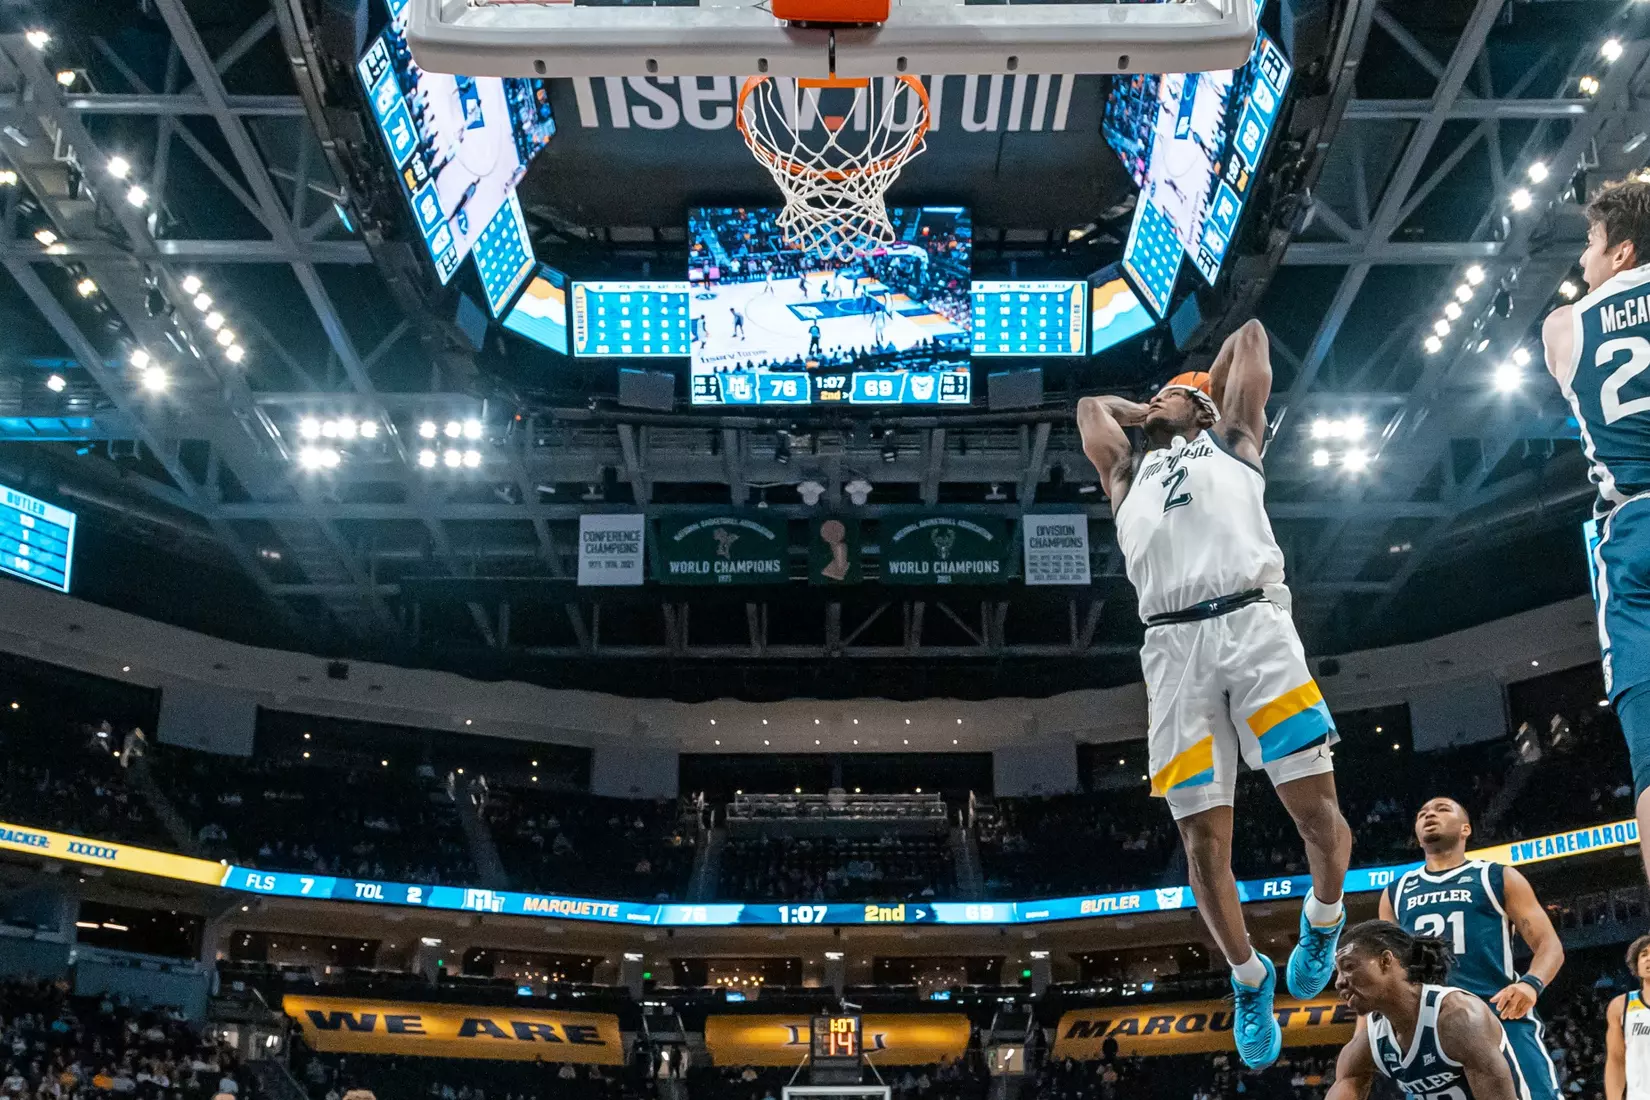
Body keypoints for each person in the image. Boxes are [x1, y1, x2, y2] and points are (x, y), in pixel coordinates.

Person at [1075, 319, 1353, 1069]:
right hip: (1171, 650)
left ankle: (1323, 919)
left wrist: (1196, 396)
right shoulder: (1126, 476)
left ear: (1205, 409)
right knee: (1201, 846)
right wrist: (1150, 411)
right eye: (1153, 394)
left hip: (1255, 628)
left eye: (1175, 394)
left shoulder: (1233, 440)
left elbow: (1257, 335)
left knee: (1315, 813)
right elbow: (1088, 410)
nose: (1156, 399)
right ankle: (1248, 977)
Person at [1541, 179, 1650, 880]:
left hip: (1633, 533)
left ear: (1623, 250)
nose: (1583, 259)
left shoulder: (1563, 328)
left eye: (1590, 243)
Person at [1380, 797, 1564, 1100]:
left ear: (1466, 829)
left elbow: (1549, 945)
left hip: (1497, 1013)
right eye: (1422, 813)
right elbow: (1387, 969)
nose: (1429, 815)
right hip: (1428, 1027)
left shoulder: (1497, 876)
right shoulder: (1395, 892)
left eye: (1441, 809)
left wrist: (1531, 985)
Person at [1326, 920, 1531, 1100]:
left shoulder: (1459, 1018)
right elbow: (1346, 1084)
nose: (1339, 982)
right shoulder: (1371, 1040)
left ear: (1385, 961)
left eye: (1349, 966)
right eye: (1338, 973)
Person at [1605, 933, 1650, 1100]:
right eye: (1643, 954)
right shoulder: (1620, 1006)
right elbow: (1616, 1060)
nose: (1648, 959)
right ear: (1636, 965)